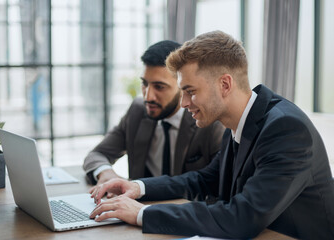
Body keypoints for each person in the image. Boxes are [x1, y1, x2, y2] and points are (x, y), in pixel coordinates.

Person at [88, 31, 334, 239]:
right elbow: (203, 180)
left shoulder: (286, 129)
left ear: (225, 85)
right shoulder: (239, 120)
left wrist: (142, 213)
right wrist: (138, 187)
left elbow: (242, 217)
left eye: (190, 91)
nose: (183, 103)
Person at [83, 40, 225, 186]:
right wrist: (106, 172)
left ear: (182, 86)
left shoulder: (209, 121)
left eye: (159, 87)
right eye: (144, 84)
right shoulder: (137, 112)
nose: (148, 96)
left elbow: (220, 185)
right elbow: (96, 155)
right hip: (137, 205)